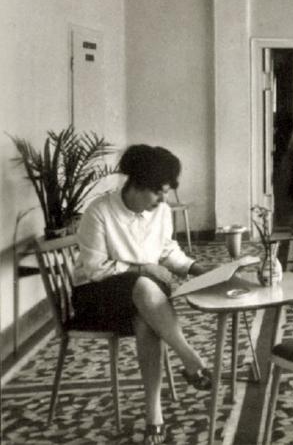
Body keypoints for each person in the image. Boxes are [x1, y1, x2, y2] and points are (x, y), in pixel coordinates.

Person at [73, 145, 214, 444]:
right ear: (136, 184)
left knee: (146, 318)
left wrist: (200, 270)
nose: (163, 200)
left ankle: (154, 417)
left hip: (143, 301)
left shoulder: (160, 211)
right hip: (96, 296)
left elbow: (168, 252)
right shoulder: (99, 212)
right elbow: (95, 268)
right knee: (144, 286)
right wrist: (143, 268)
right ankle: (189, 356)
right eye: (158, 192)